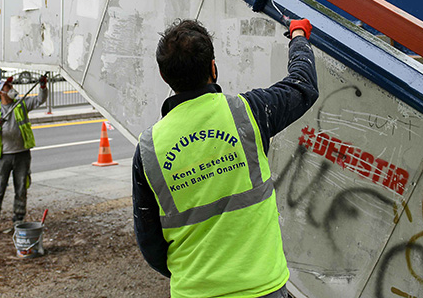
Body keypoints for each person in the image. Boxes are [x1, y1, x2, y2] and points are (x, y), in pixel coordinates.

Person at [132, 18, 319, 298]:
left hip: (194, 291)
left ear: (164, 76)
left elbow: (149, 242)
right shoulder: (248, 114)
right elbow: (302, 85)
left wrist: (196, 274)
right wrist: (299, 36)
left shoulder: (148, 149)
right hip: (262, 288)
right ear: (213, 67)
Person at [0, 74, 49, 238]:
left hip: (22, 155)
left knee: (21, 189)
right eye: (7, 87)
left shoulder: (21, 105)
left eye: (10, 86)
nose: (11, 89)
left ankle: (18, 220)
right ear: (0, 93)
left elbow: (40, 99)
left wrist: (43, 87)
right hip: (3, 157)